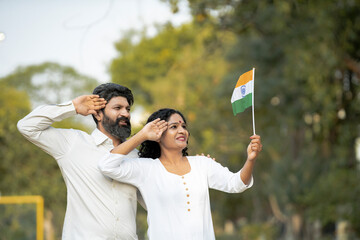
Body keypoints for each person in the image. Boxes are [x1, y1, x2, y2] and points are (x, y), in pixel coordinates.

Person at [98, 108, 262, 240]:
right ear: (158, 134)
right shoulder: (146, 169)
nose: (182, 130)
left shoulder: (202, 164)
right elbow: (107, 165)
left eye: (184, 126)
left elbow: (236, 184)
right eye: (174, 127)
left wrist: (250, 159)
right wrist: (142, 135)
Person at [17, 83, 144, 239]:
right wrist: (73, 107)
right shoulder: (73, 144)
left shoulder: (137, 157)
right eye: (118, 108)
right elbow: (26, 126)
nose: (126, 114)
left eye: (128, 109)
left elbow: (153, 202)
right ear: (98, 114)